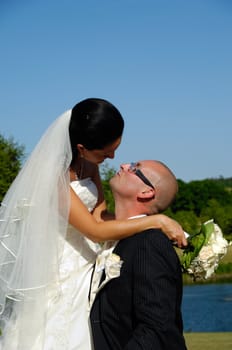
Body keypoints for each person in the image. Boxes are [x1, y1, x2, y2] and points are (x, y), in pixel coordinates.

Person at [0, 98, 186, 350]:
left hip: (89, 262)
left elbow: (101, 216)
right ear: (81, 147)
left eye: (116, 147)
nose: (113, 156)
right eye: (106, 151)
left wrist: (140, 222)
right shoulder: (54, 179)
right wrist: (157, 220)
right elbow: (95, 231)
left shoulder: (90, 165)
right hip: (61, 267)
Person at [90, 160, 187, 349]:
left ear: (146, 192)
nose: (124, 165)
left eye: (135, 168)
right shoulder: (117, 237)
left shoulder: (150, 243)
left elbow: (156, 330)